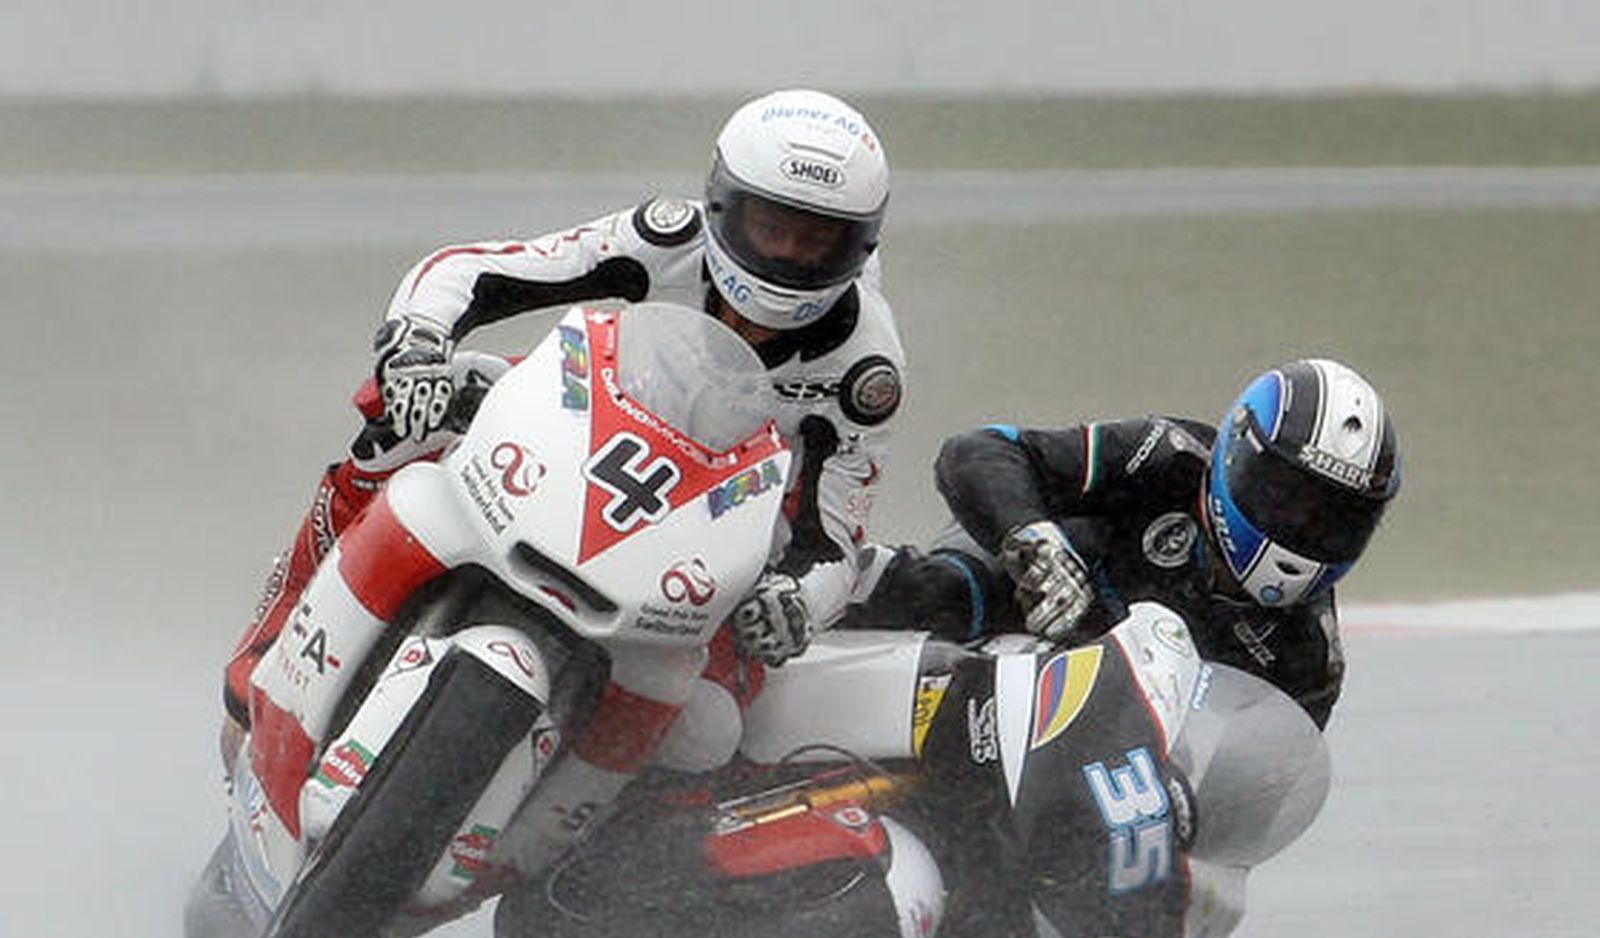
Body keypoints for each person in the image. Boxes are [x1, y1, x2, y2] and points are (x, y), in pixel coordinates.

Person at [220, 89, 906, 780]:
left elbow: (833, 540)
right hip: (587, 433)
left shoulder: (865, 370)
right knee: (401, 420)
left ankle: (593, 866)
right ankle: (271, 645)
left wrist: (796, 601)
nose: (787, 254)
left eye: (816, 238)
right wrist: (418, 342)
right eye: (770, 227)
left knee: (708, 729)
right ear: (724, 203)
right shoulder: (666, 239)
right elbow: (476, 270)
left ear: (859, 244)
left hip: (725, 526)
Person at [849, 357, 1400, 728]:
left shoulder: (1306, 659)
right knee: (945, 587)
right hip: (1028, 601)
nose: (1300, 525)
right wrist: (1033, 545)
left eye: (1332, 517)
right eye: (1287, 496)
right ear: (1237, 455)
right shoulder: (1167, 456)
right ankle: (803, 598)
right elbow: (979, 452)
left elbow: (1256, 801)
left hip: (1112, 741)